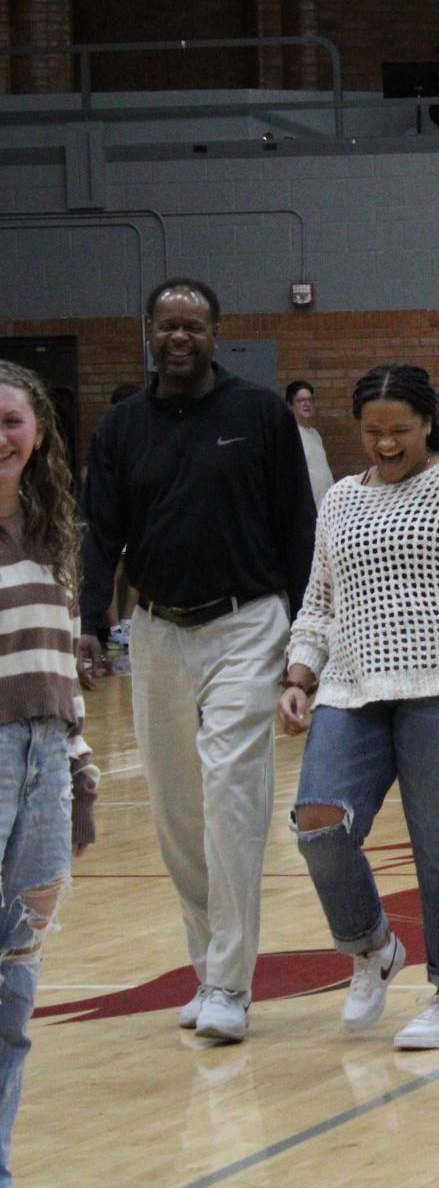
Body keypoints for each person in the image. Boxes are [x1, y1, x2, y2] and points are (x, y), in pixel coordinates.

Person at [78, 278, 315, 1043]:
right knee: (178, 812)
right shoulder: (121, 427)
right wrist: (89, 620)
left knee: (233, 802)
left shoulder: (259, 415)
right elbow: (99, 532)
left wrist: (306, 641)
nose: (180, 338)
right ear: (148, 331)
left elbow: (298, 528)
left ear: (217, 333)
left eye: (195, 326)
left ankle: (229, 983)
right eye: (167, 326)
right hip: (155, 633)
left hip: (247, 624)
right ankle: (208, 964)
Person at [278, 366, 439, 1049]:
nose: (385, 445)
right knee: (317, 821)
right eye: (371, 432)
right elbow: (319, 600)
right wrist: (299, 674)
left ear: (427, 421)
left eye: (399, 431)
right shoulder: (338, 500)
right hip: (352, 686)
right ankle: (372, 946)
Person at [0, 361, 98, 1178]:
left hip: (44, 760)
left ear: (36, 431)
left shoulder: (55, 531)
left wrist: (81, 775)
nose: (0, 437)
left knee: (15, 989)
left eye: (10, 420)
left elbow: (64, 671)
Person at [288, 379, 335, 506]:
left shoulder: (314, 434)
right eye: (301, 400)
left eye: (309, 400)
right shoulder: (290, 435)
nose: (306, 404)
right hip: (307, 507)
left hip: (325, 504)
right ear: (291, 405)